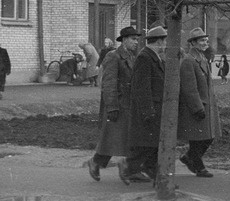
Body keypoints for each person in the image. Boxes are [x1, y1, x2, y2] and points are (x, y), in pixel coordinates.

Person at [86, 26, 142, 182]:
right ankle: (96, 162)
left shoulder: (131, 56)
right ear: (124, 40)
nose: (136, 42)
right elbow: (108, 83)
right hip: (118, 104)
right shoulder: (114, 56)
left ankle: (130, 170)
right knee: (112, 138)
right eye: (133, 39)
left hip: (128, 104)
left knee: (124, 137)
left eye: (137, 39)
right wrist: (112, 107)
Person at [119, 25, 168, 185]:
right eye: (165, 41)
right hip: (147, 109)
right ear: (159, 41)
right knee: (145, 144)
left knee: (151, 143)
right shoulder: (145, 57)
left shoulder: (154, 57)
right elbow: (142, 87)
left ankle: (149, 171)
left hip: (154, 107)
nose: (166, 45)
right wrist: (148, 111)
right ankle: (128, 168)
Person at [178, 28, 222, 178]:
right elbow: (189, 88)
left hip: (207, 105)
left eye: (206, 41)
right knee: (200, 138)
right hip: (197, 106)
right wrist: (197, 108)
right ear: (193, 43)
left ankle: (190, 159)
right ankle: (197, 165)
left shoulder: (201, 58)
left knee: (207, 136)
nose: (206, 43)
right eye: (202, 41)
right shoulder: (189, 60)